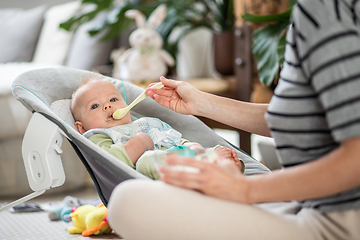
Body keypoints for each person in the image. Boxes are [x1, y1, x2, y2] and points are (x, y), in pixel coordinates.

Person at [106, 1, 360, 239]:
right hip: (312, 201)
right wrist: (201, 103)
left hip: (338, 216)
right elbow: (307, 120)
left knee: (125, 202)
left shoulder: (327, 12)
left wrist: (244, 190)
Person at [70, 76, 244, 179]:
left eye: (113, 100)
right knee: (145, 161)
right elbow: (110, 161)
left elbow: (173, 140)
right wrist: (140, 142)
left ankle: (215, 163)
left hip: (180, 160)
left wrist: (193, 147)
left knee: (202, 147)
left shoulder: (145, 124)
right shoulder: (98, 136)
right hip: (150, 175)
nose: (107, 106)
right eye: (94, 106)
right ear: (82, 128)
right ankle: (208, 164)